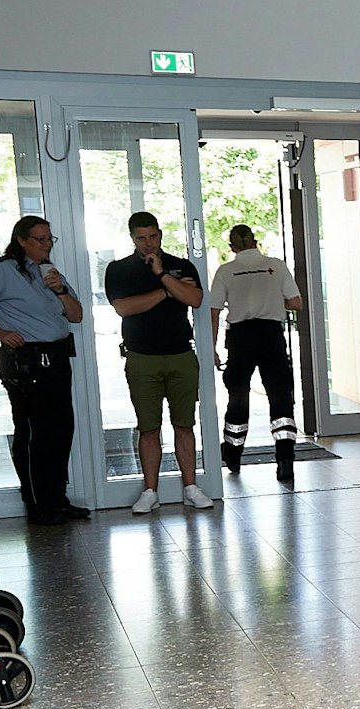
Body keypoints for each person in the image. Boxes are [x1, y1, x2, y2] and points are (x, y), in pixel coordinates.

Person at [0, 217, 86, 525]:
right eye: (40, 239)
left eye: (50, 239)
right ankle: (38, 505)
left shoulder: (49, 273)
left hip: (57, 357)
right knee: (36, 432)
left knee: (61, 430)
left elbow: (76, 315)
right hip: (27, 361)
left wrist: (60, 289)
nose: (46, 245)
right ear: (22, 240)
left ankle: (56, 500)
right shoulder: (0, 271)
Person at [105, 211, 211, 513]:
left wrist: (164, 275)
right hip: (141, 358)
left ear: (160, 234)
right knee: (149, 427)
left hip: (181, 355)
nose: (148, 243)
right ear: (132, 238)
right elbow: (124, 308)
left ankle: (190, 487)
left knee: (184, 424)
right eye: (141, 238)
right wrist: (166, 292)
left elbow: (194, 299)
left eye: (153, 236)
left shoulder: (180, 265)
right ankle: (150, 491)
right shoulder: (119, 269)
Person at [208, 225, 304, 484]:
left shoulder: (226, 271)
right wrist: (272, 301)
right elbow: (296, 302)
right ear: (256, 241)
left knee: (237, 396)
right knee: (281, 397)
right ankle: (285, 461)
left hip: (240, 338)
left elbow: (214, 311)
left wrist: (211, 349)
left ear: (232, 247)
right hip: (271, 335)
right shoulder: (276, 266)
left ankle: (233, 456)